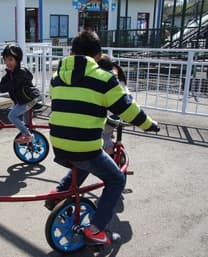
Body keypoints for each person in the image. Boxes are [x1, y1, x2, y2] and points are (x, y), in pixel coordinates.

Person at [46, 30, 160, 246]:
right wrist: (149, 125)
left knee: (83, 163)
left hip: (58, 143)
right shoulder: (104, 79)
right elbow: (127, 109)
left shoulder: (56, 77)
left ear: (71, 53)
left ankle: (58, 192)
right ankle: (96, 230)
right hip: (85, 146)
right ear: (98, 56)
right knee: (115, 179)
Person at [0, 44, 40, 144]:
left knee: (12, 116)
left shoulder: (21, 73)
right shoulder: (10, 73)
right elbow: (4, 82)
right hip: (23, 99)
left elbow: (12, 85)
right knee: (27, 122)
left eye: (10, 60)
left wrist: (0, 88)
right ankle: (34, 137)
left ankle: (28, 135)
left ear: (17, 60)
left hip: (29, 99)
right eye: (5, 60)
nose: (7, 63)